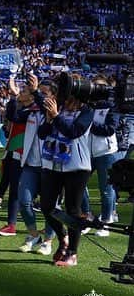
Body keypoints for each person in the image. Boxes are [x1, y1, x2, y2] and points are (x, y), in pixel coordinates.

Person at [38, 76, 95, 267]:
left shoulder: (86, 111)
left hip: (76, 167)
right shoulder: (58, 108)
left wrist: (55, 117)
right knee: (46, 205)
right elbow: (42, 133)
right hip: (52, 163)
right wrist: (48, 120)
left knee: (73, 210)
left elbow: (73, 132)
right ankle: (63, 238)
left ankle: (72, 253)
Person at [6, 74, 56, 254]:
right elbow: (13, 116)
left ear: (53, 96)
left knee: (51, 207)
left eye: (43, 93)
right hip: (30, 164)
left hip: (51, 167)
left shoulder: (57, 112)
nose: (38, 96)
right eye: (38, 92)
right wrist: (13, 96)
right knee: (24, 201)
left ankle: (48, 242)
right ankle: (34, 235)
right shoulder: (32, 111)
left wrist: (35, 91)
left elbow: (47, 113)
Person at [89, 75, 119, 236]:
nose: (96, 90)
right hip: (88, 152)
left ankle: (106, 222)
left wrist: (90, 125)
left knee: (106, 190)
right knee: (79, 186)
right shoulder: (87, 106)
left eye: (100, 87)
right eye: (94, 86)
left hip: (106, 152)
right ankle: (87, 216)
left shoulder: (111, 107)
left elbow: (110, 129)